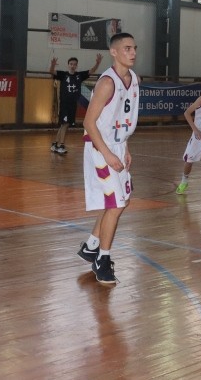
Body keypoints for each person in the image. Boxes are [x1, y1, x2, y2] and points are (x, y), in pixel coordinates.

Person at [76, 33, 139, 286]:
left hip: (117, 145)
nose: (133, 52)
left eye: (134, 48)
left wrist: (125, 147)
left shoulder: (134, 79)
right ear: (114, 52)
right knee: (115, 204)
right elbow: (88, 123)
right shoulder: (107, 83)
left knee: (120, 201)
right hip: (99, 148)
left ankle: (91, 245)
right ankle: (102, 259)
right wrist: (108, 153)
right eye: (127, 48)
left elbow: (122, 118)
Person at [49, 53, 102, 154]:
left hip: (73, 104)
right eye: (71, 64)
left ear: (76, 66)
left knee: (64, 125)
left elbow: (91, 71)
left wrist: (97, 63)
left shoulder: (79, 75)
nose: (73, 66)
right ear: (68, 65)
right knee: (65, 124)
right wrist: (53, 65)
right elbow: (51, 71)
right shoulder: (63, 75)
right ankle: (61, 145)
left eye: (74, 64)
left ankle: (55, 144)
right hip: (65, 103)